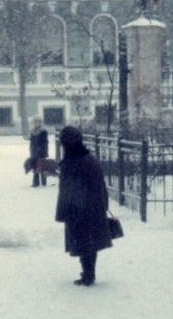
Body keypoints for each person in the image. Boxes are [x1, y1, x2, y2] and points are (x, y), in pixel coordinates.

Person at [55, 126, 112, 286]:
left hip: (79, 209)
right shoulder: (88, 158)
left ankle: (88, 275)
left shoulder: (73, 162)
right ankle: (88, 273)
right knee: (89, 242)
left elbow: (68, 189)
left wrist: (65, 211)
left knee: (84, 241)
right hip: (92, 206)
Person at [29, 117, 49, 187]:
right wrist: (31, 151)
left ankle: (44, 182)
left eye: (39, 122)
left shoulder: (44, 132)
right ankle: (35, 182)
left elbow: (45, 143)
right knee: (35, 167)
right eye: (36, 122)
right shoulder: (32, 132)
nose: (37, 124)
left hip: (41, 152)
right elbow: (31, 143)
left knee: (42, 167)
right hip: (34, 152)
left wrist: (45, 151)